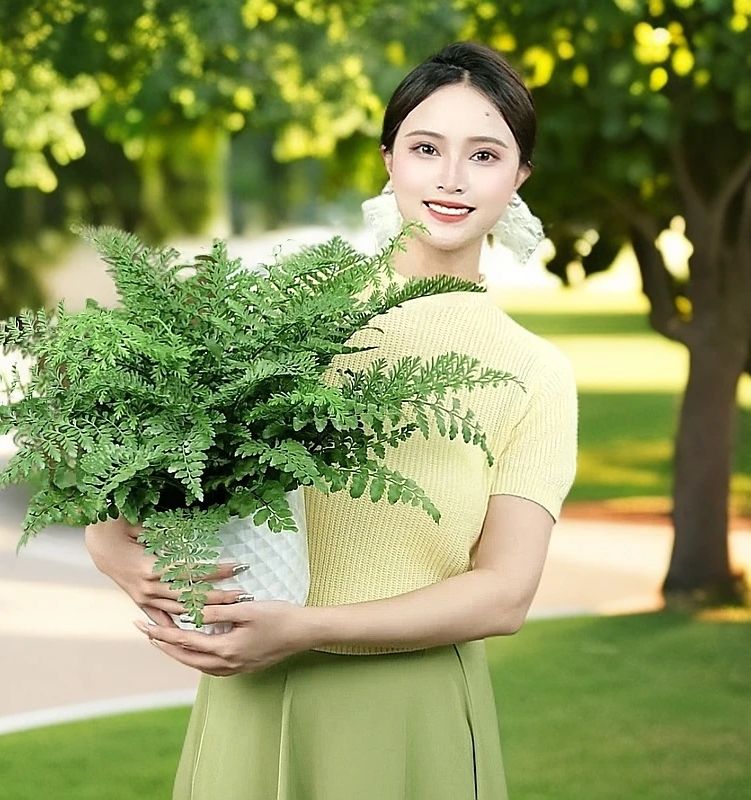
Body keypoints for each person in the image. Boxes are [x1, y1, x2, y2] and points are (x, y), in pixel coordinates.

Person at [85, 41, 578, 799]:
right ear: (390, 160)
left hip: (410, 713)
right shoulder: (278, 318)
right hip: (247, 696)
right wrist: (113, 552)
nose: (450, 177)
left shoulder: (536, 373)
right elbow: (131, 471)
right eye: (425, 148)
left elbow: (505, 594)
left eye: (484, 154)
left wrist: (307, 628)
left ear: (519, 178)